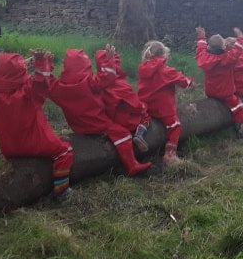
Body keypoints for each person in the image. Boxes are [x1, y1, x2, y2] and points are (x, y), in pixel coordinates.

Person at [0, 49, 74, 201]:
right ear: (21, 74)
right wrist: (42, 62)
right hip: (36, 144)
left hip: (9, 149)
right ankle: (61, 191)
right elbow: (42, 82)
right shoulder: (27, 93)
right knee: (65, 152)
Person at [49, 46, 151, 176]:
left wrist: (44, 64)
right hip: (97, 123)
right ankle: (132, 165)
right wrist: (109, 60)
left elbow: (46, 83)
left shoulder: (58, 88)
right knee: (122, 133)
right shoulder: (90, 82)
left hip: (77, 127)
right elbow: (108, 77)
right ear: (85, 65)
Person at [137, 41, 193, 164]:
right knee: (175, 126)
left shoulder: (143, 68)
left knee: (144, 118)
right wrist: (189, 81)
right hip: (162, 108)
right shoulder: (167, 70)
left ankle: (140, 132)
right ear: (164, 56)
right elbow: (183, 82)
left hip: (145, 104)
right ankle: (170, 154)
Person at [195, 27, 243, 139]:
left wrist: (201, 36)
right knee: (239, 107)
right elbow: (237, 50)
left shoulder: (203, 58)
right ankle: (242, 132)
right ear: (224, 47)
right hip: (225, 93)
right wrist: (240, 36)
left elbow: (200, 49)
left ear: (209, 47)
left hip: (210, 91)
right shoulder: (227, 59)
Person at [94, 48, 151, 153]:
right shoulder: (120, 84)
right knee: (146, 117)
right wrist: (144, 107)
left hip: (109, 120)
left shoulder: (96, 83)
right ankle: (139, 134)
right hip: (125, 121)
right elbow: (136, 106)